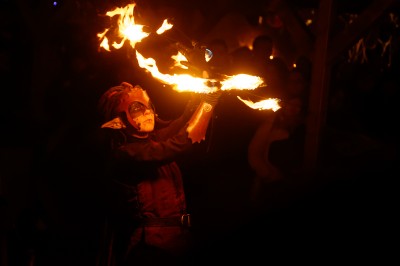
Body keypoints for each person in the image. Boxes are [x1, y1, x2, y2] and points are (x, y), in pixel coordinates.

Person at [96, 81, 221, 266]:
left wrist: (198, 96)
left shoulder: (151, 141)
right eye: (137, 109)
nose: (146, 113)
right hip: (151, 248)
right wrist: (209, 102)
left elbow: (181, 124)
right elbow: (180, 143)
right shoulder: (126, 154)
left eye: (147, 107)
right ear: (119, 121)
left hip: (178, 241)